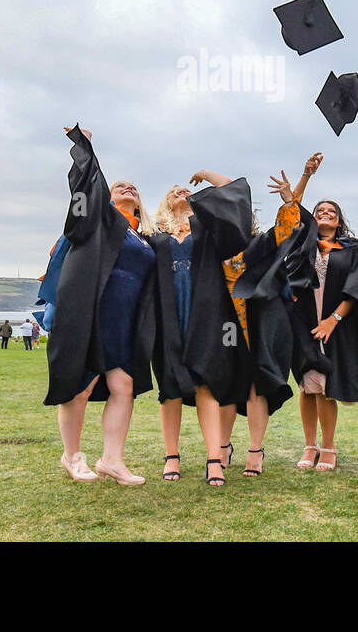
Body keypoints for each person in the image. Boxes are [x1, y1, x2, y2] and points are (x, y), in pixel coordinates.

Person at [45, 126, 160, 486]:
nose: (128, 188)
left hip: (126, 322)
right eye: (119, 186)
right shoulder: (101, 221)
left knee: (123, 387)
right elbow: (88, 187)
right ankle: (72, 455)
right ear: (107, 198)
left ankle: (112, 460)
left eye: (134, 187)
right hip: (92, 314)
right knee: (80, 384)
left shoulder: (144, 238)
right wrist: (85, 146)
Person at [288, 156, 358, 472]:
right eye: (319, 211)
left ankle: (330, 447)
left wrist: (332, 321)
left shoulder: (353, 248)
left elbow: (357, 287)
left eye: (331, 212)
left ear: (339, 222)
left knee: (324, 386)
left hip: (337, 325)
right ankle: (310, 446)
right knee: (307, 387)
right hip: (305, 323)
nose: (324, 214)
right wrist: (305, 174)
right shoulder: (303, 246)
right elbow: (292, 213)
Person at [149, 165, 253, 487]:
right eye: (174, 190)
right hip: (167, 315)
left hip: (206, 313)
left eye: (186, 190)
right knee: (170, 389)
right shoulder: (154, 235)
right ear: (165, 201)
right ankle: (172, 456)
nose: (181, 191)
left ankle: (214, 459)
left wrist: (207, 176)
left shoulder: (208, 229)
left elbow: (235, 192)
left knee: (205, 384)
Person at [218, 159, 321, 477]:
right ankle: (221, 447)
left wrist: (294, 195)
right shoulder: (213, 249)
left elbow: (287, 228)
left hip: (263, 325)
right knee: (226, 386)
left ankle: (255, 451)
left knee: (255, 387)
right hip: (227, 326)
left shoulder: (260, 245)